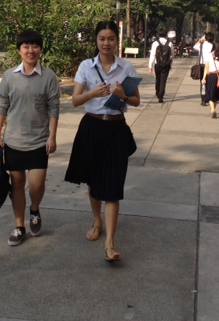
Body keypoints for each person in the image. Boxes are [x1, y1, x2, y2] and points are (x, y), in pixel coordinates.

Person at [64, 21, 141, 262]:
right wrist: (92, 93)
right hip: (92, 126)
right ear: (95, 41)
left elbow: (136, 100)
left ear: (117, 41)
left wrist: (123, 96)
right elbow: (76, 100)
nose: (106, 43)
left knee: (113, 186)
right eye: (101, 39)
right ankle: (97, 222)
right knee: (94, 180)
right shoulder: (86, 66)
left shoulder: (126, 67)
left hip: (116, 128)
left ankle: (110, 244)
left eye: (110, 38)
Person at [0, 30, 60, 246]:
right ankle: (19, 226)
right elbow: (2, 104)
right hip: (13, 141)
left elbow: (54, 107)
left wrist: (52, 136)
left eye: (35, 46)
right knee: (17, 183)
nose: (31, 50)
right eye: (26, 46)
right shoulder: (9, 76)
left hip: (39, 141)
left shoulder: (48, 76)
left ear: (40, 49)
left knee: (37, 184)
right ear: (19, 50)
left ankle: (35, 209)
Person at [201, 41, 219, 118]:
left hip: (211, 76)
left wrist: (204, 78)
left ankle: (212, 109)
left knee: (210, 93)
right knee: (216, 95)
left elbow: (206, 68)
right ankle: (213, 108)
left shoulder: (209, 55)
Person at [148, 29, 173, 103]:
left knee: (158, 78)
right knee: (163, 80)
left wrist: (150, 66)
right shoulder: (169, 43)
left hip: (157, 64)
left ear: (158, 35)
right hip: (166, 65)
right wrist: (170, 63)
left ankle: (157, 92)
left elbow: (152, 55)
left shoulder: (155, 43)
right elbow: (172, 55)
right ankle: (160, 96)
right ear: (166, 35)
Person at [194, 32, 214, 106]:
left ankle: (203, 99)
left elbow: (194, 46)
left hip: (202, 66)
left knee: (202, 82)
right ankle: (208, 97)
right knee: (209, 83)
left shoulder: (201, 45)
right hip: (210, 66)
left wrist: (200, 40)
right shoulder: (213, 46)